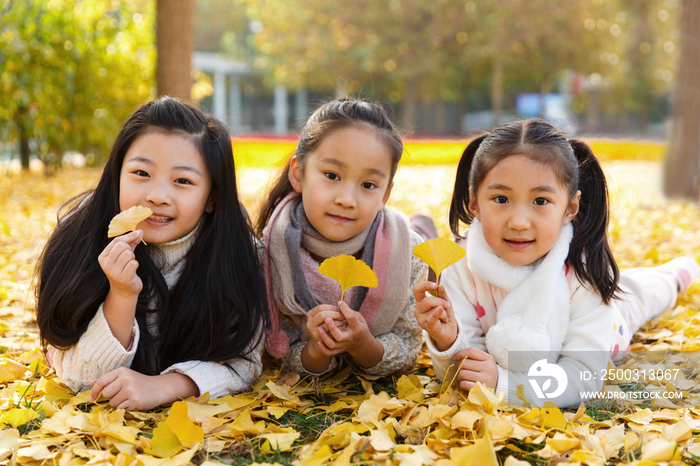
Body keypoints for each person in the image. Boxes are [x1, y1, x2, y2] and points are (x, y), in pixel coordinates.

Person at [414, 118, 699, 407]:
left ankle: (676, 274)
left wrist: (505, 385)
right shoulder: (461, 267)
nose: (519, 222)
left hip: (610, 328)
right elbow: (469, 371)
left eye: (540, 201)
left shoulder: (584, 275)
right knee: (631, 287)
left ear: (570, 208)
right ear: (474, 202)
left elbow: (582, 376)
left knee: (640, 295)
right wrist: (449, 342)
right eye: (501, 199)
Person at [36, 97, 266, 410]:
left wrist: (164, 386)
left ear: (211, 197)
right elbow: (77, 379)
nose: (157, 196)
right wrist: (121, 294)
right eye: (141, 173)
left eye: (183, 181)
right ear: (117, 173)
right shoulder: (81, 239)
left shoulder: (237, 254)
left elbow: (244, 363)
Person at [258, 98, 427, 376]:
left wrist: (364, 345)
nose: (347, 200)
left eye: (368, 185)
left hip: (399, 237)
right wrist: (315, 349)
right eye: (332, 175)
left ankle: (423, 222)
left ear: (385, 195)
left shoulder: (409, 254)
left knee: (422, 232)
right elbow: (280, 350)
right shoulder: (269, 256)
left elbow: (408, 344)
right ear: (298, 174)